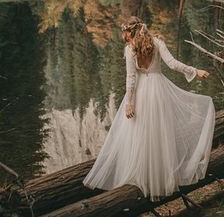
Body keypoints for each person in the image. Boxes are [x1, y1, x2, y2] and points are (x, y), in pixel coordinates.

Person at [82, 16, 216, 201]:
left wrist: (129, 103)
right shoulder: (157, 42)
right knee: (161, 133)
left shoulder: (130, 49)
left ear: (130, 32)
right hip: (159, 91)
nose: (124, 36)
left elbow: (131, 79)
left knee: (140, 133)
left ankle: (143, 175)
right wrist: (195, 71)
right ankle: (162, 176)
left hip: (142, 94)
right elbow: (173, 64)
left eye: (125, 32)